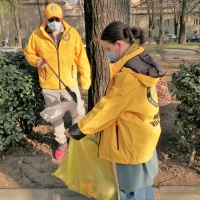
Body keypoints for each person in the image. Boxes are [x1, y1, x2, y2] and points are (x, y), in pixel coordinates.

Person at [65, 21, 166, 200]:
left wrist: (81, 128)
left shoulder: (129, 75)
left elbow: (109, 107)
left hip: (131, 139)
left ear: (119, 44)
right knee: (142, 187)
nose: (107, 54)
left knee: (131, 190)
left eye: (107, 48)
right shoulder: (141, 61)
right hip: (144, 133)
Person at [24, 2, 91, 160]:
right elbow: (29, 53)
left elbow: (82, 59)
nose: (54, 21)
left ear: (62, 17)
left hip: (70, 84)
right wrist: (37, 61)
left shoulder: (72, 33)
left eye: (57, 18)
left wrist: (85, 81)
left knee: (78, 112)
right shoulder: (36, 35)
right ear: (45, 18)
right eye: (51, 18)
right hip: (49, 85)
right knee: (55, 116)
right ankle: (61, 142)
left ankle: (75, 140)